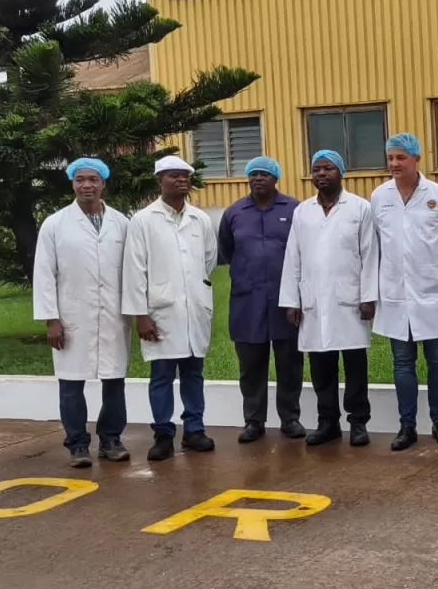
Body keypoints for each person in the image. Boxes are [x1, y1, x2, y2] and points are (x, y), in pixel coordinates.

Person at [32, 158, 132, 468]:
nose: (86, 185)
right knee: (71, 383)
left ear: (103, 183)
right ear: (72, 184)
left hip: (113, 316)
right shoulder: (55, 224)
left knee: (114, 381)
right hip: (71, 315)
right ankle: (77, 444)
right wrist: (51, 319)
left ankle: (111, 439)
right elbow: (44, 274)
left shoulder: (121, 223)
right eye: (80, 180)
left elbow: (132, 271)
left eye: (93, 179)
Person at [123, 155, 218, 461]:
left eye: (184, 176)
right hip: (159, 312)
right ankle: (163, 434)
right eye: (173, 175)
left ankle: (194, 430)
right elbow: (134, 270)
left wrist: (192, 290)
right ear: (159, 181)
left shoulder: (200, 219)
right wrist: (141, 315)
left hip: (194, 310)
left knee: (194, 373)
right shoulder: (143, 220)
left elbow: (208, 261)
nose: (181, 180)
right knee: (162, 375)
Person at [280, 150, 378, 448]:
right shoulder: (302, 211)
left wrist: (368, 296)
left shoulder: (360, 208)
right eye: (316, 169)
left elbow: (370, 254)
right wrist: (292, 300)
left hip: (350, 299)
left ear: (341, 173)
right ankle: (328, 423)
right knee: (321, 366)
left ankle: (358, 422)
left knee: (355, 366)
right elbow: (293, 256)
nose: (321, 174)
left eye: (328, 168)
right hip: (313, 301)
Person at [371, 133, 438, 451]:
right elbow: (376, 243)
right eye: (390, 158)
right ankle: (406, 426)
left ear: (417, 158)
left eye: (401, 157)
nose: (394, 163)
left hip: (431, 292)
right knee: (402, 363)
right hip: (396, 293)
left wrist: (432, 270)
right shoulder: (379, 197)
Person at [218, 156, 305, 444]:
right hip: (248, 300)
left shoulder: (294, 209)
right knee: (251, 365)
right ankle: (253, 421)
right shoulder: (234, 213)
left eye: (264, 174)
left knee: (289, 363)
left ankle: (290, 418)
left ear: (275, 178)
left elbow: (302, 250)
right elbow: (227, 250)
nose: (257, 178)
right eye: (253, 174)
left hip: (285, 300)